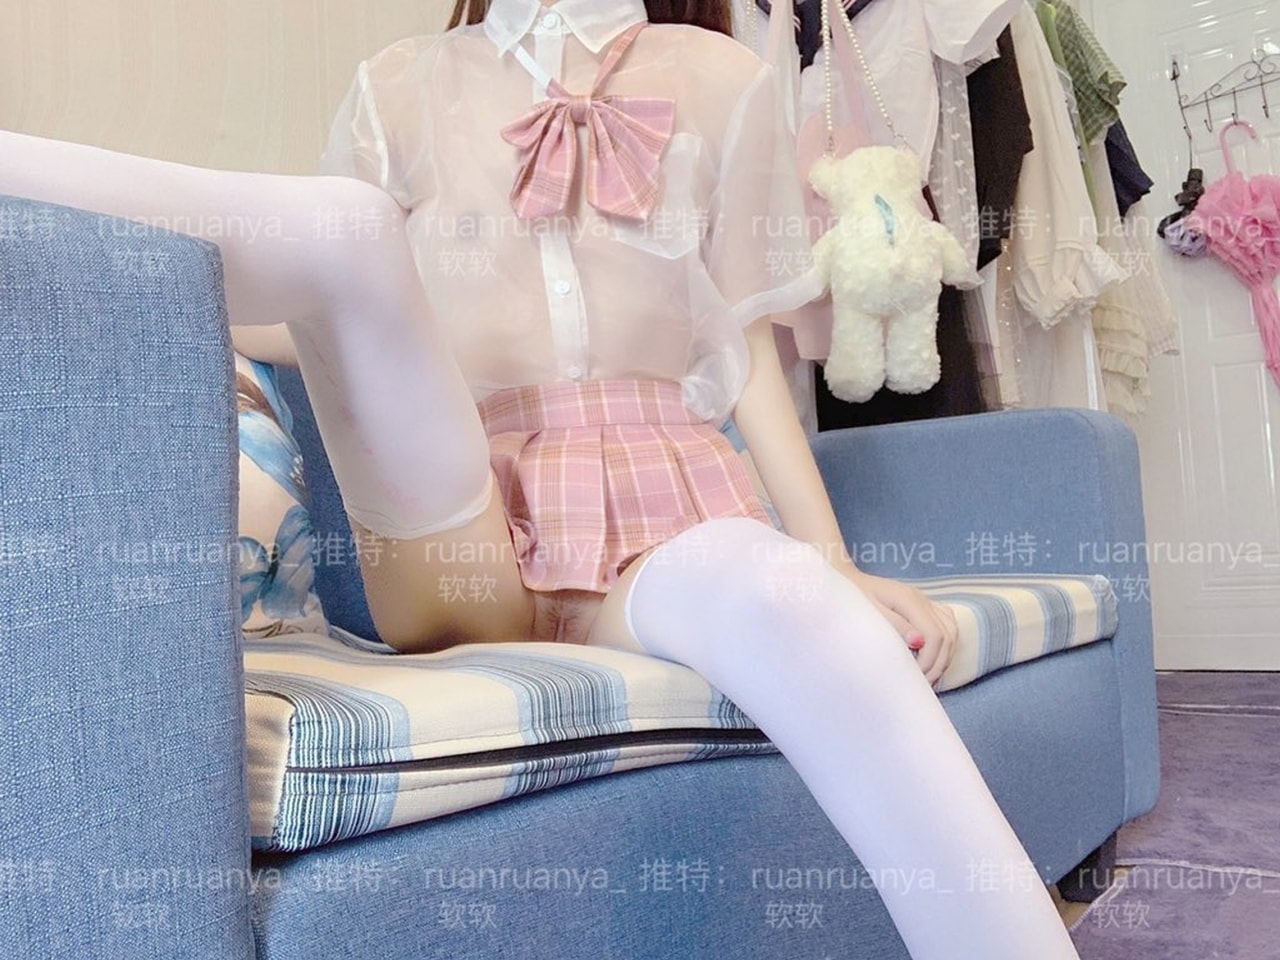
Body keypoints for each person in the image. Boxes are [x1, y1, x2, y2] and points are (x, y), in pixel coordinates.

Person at [0, 1, 1083, 956]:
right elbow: (336, 327)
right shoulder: (399, 85)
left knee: (787, 595)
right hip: (468, 537)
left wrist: (831, 557)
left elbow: (747, 345)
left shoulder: (725, 77)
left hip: (662, 517)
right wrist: (241, 336)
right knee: (349, 231)